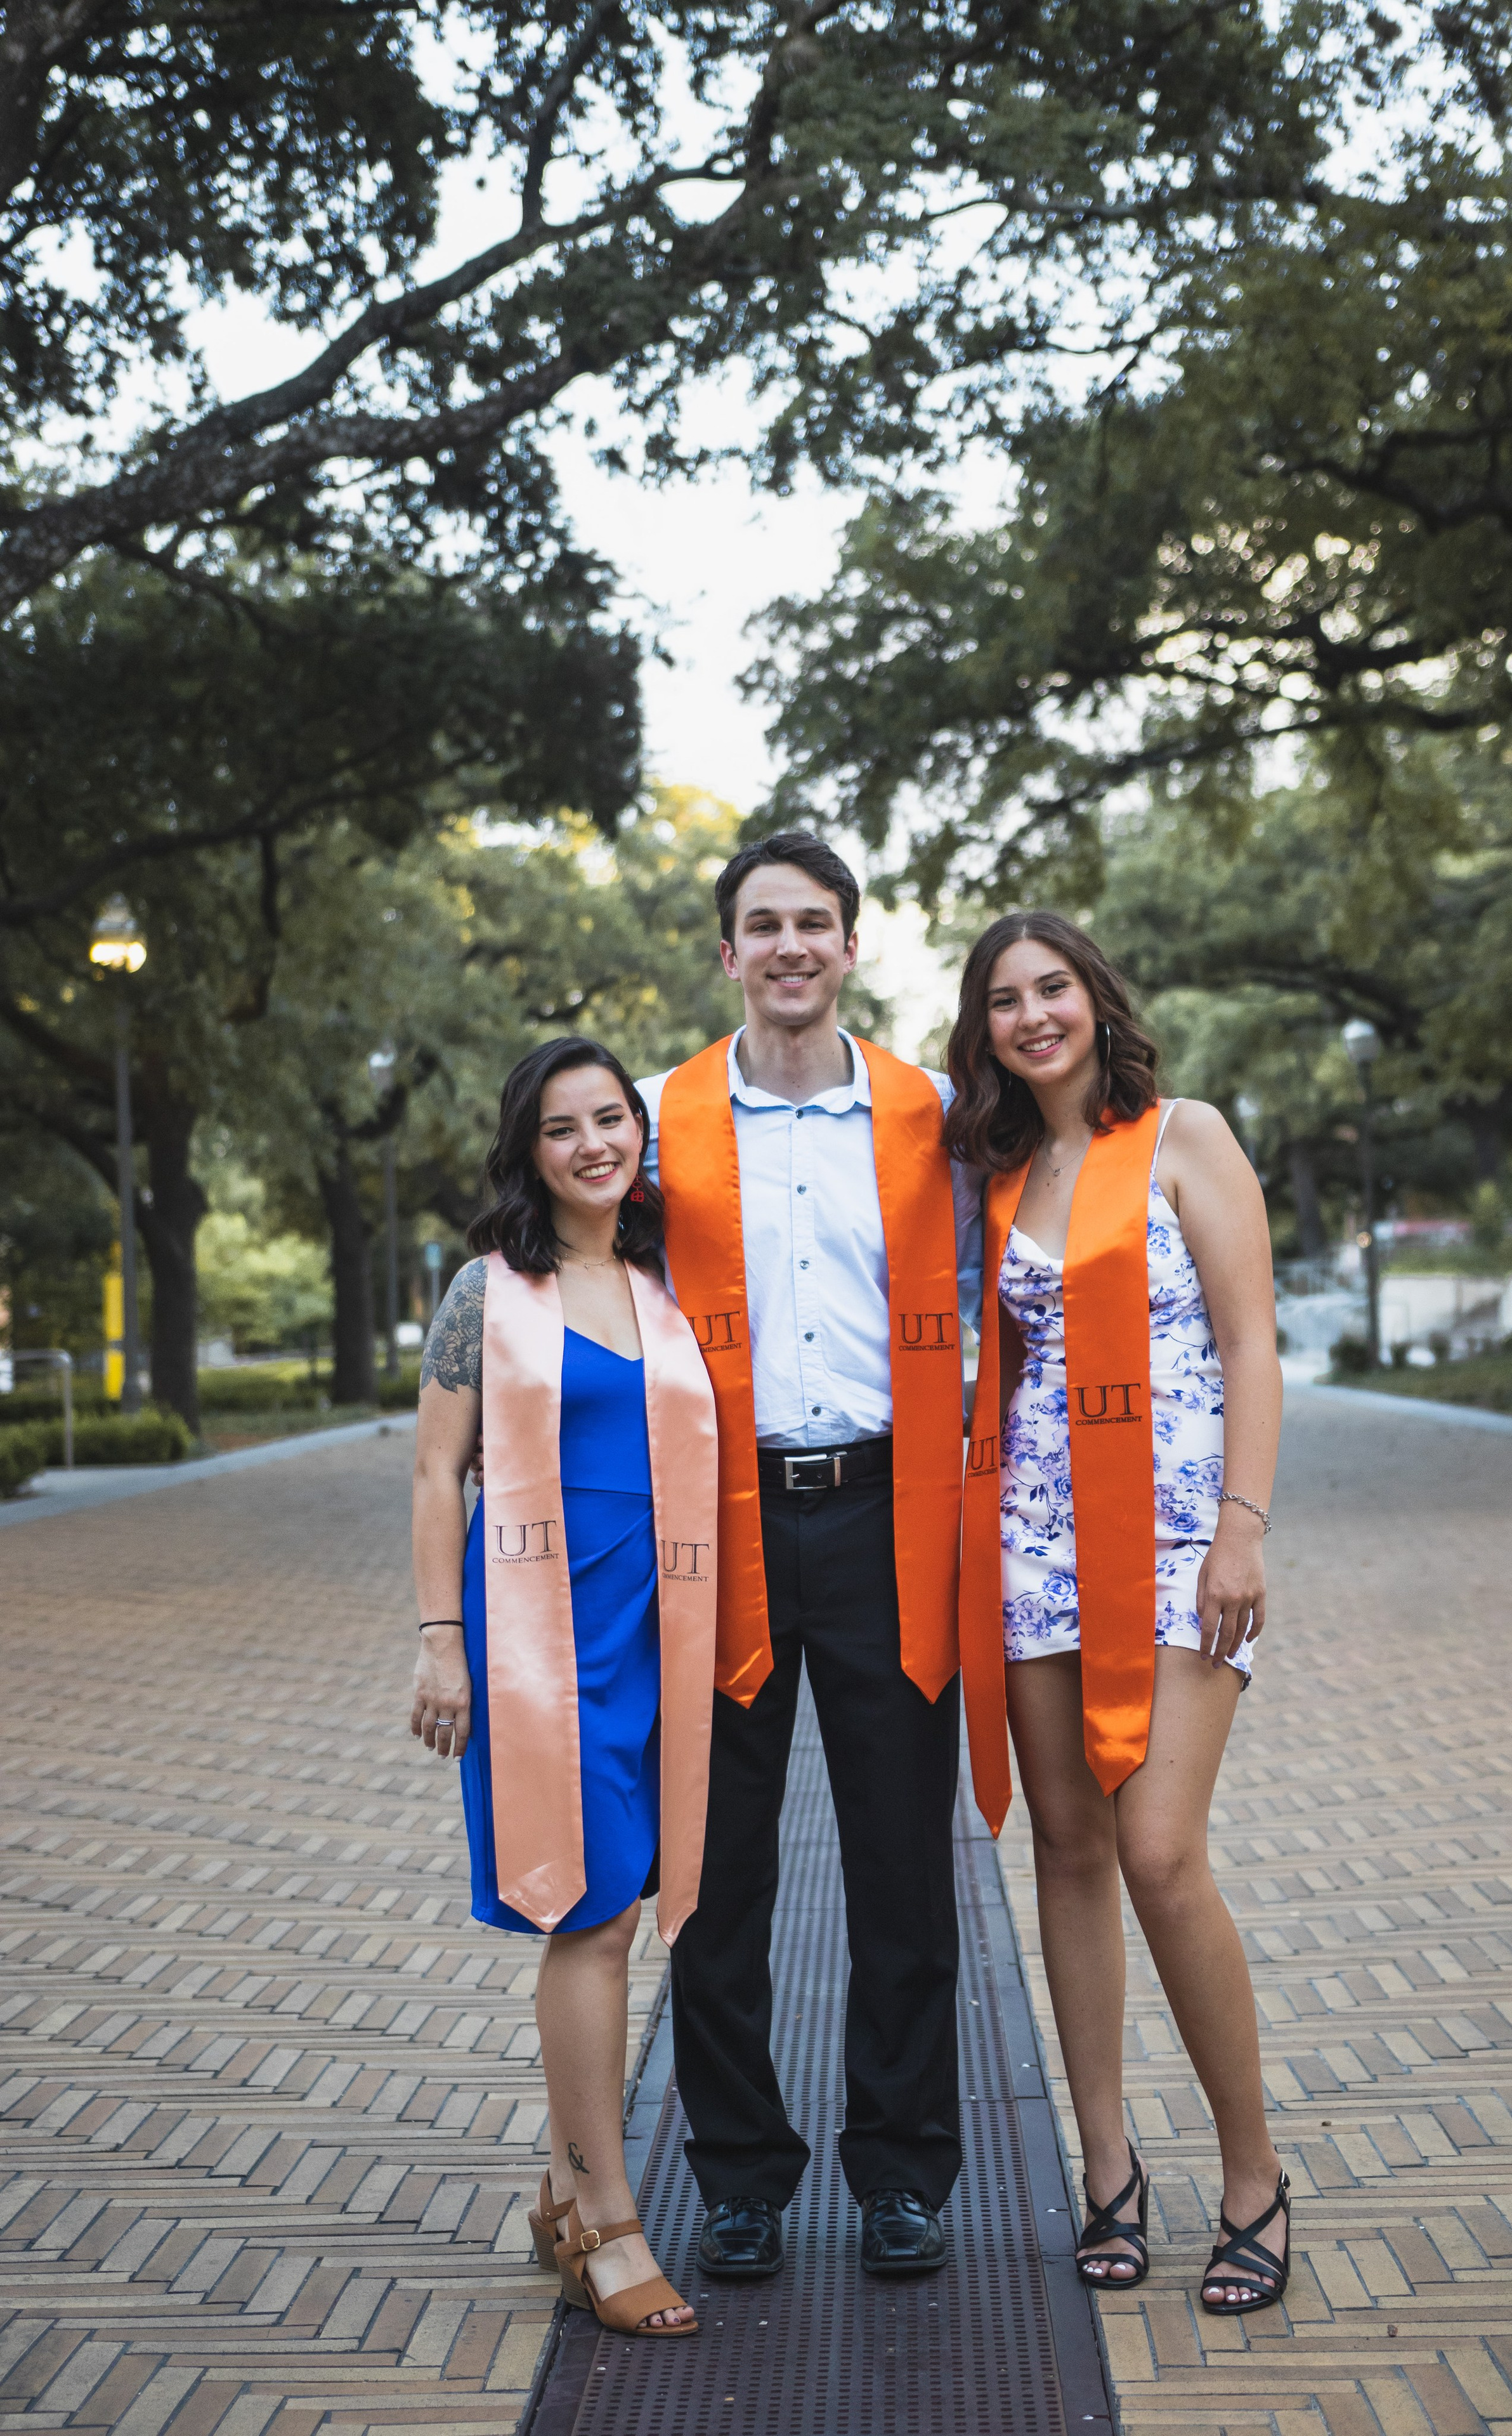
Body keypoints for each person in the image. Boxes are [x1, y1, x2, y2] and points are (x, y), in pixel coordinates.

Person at [637, 832, 981, 2282]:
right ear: (726, 952)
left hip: (890, 1514)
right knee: (716, 1870)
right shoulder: (656, 1120)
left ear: (850, 947)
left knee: (901, 1860)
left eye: (814, 924)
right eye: (761, 924)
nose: (788, 945)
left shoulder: (936, 1112)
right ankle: (739, 2176)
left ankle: (899, 2172)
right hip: (717, 1521)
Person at [952, 911, 1290, 2316]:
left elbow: (1246, 1335)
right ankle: (1105, 2170)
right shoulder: (997, 1167)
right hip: (1031, 1540)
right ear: (982, 1033)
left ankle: (1253, 2176)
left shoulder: (1184, 1137)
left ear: (1095, 994)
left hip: (1172, 1537)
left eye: (1052, 988)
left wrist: (1241, 1529)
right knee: (1073, 1851)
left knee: (1159, 1848)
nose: (1033, 1015)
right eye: (1004, 1001)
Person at [409, 1036, 718, 2339]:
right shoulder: (489, 1291)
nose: (594, 1143)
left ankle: (559, 2185)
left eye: (611, 1119)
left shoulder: (660, 1284)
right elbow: (437, 1474)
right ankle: (607, 2218)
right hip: (539, 1639)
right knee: (585, 1916)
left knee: (628, 1901)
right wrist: (440, 1640)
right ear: (526, 1150)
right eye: (561, 1127)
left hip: (661, 1633)